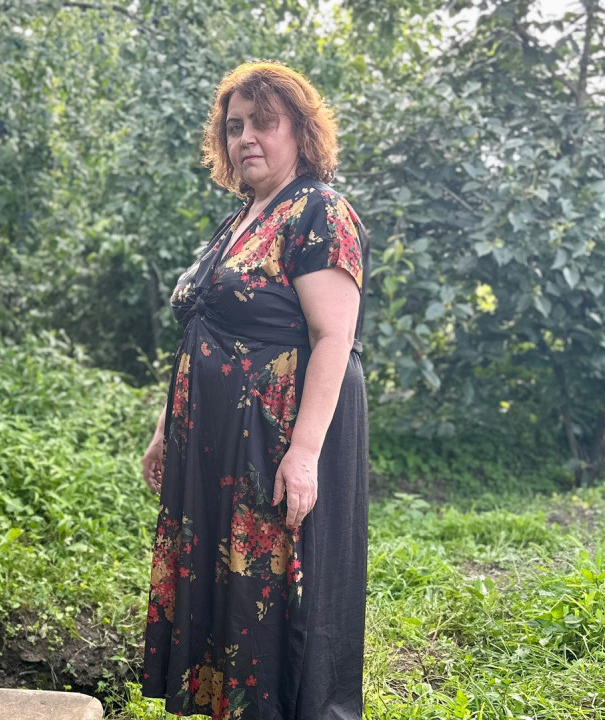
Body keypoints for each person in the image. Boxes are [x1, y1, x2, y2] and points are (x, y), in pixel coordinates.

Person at [139, 60, 370, 719]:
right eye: (235, 126)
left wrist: (302, 454)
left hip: (272, 450)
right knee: (225, 595)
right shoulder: (243, 217)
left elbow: (334, 339)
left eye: (264, 123)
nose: (247, 138)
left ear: (300, 130)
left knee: (271, 603)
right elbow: (204, 329)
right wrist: (164, 430)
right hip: (215, 454)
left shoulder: (318, 211)